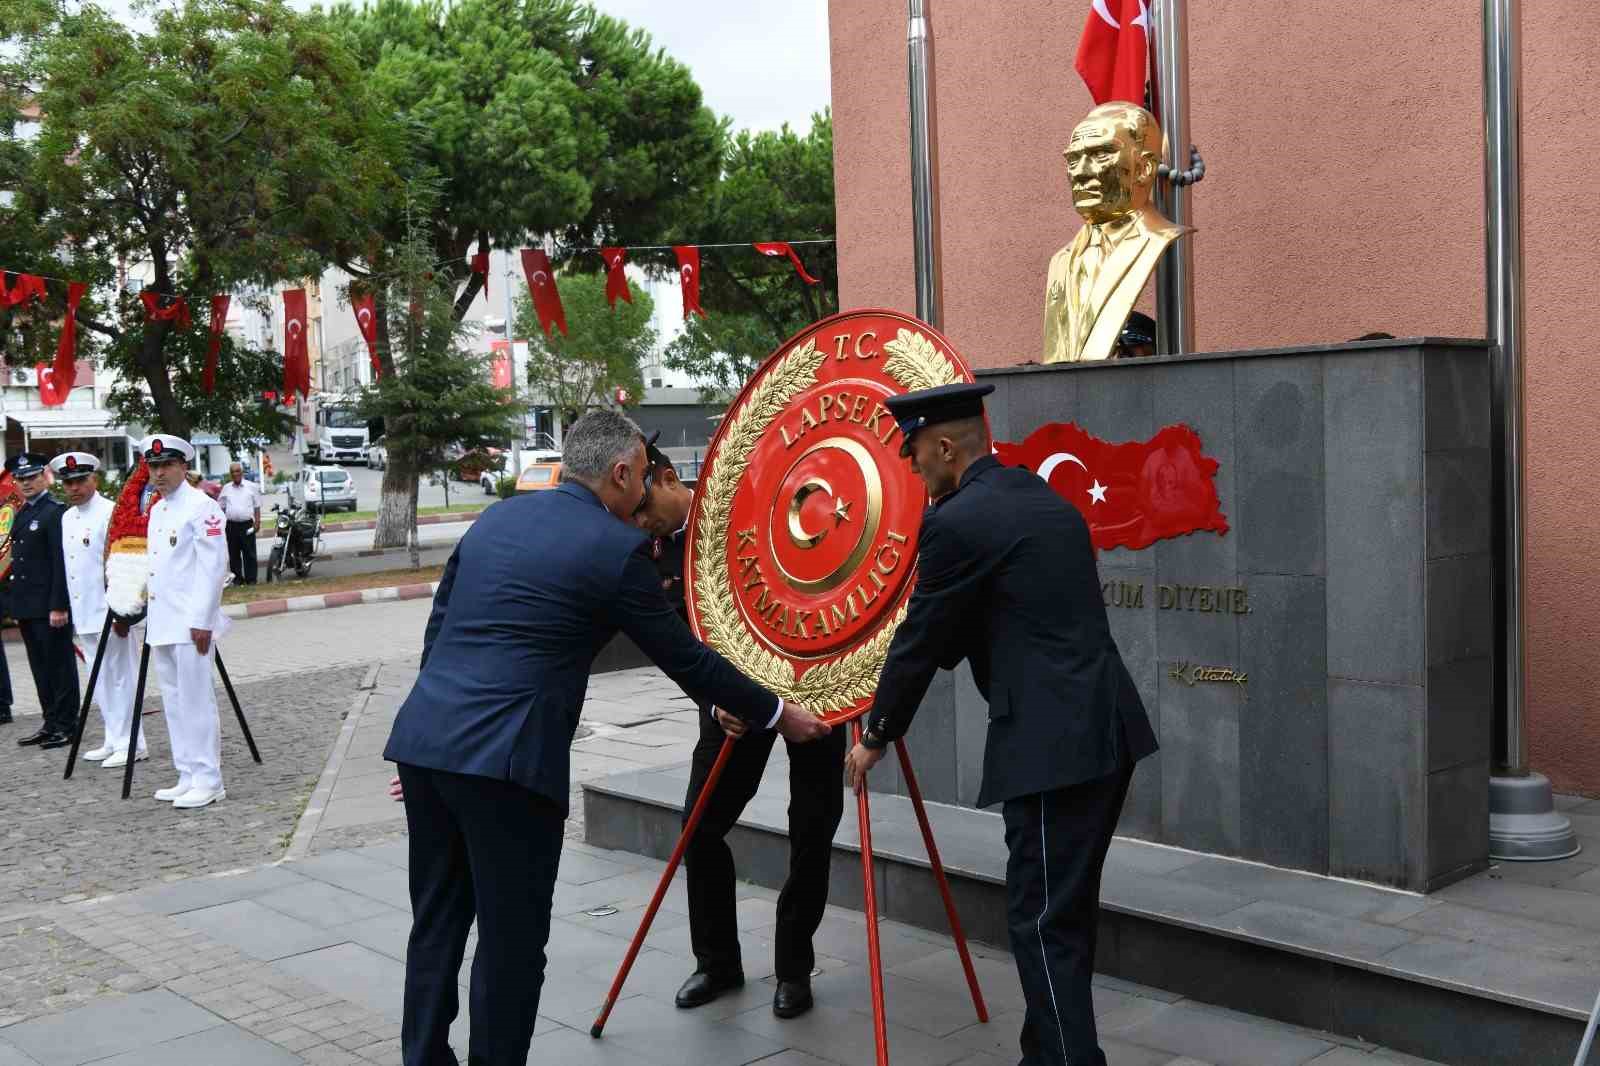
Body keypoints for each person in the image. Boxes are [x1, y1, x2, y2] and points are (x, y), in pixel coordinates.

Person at [383, 410, 831, 1066]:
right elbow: (687, 659)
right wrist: (779, 714)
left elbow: (439, 631)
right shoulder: (614, 549)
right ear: (620, 472)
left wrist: (433, 736)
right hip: (507, 767)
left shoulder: (499, 518)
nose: (648, 490)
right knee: (510, 945)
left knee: (436, 925)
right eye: (645, 476)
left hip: (427, 747)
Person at [843, 382, 1158, 1066]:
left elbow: (923, 641)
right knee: (1062, 911)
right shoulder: (1044, 501)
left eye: (917, 453)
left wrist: (875, 735)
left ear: (947, 447)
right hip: (1107, 729)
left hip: (1054, 747)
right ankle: (1044, 1052)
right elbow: (995, 620)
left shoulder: (957, 522)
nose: (914, 467)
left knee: (1043, 921)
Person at [632, 432, 845, 1020]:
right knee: (699, 828)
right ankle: (718, 963)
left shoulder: (746, 507)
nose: (643, 522)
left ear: (670, 478)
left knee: (811, 828)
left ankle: (794, 969)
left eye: (646, 509)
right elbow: (675, 642)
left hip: (816, 687)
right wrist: (715, 698)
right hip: (731, 711)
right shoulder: (650, 556)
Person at [1042, 102, 1192, 363]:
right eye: (1073, 159)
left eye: (1101, 155)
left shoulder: (1156, 239)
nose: (1081, 172)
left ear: (1144, 168)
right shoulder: (1061, 261)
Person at [143, 434, 231, 810]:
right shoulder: (159, 509)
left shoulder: (202, 507)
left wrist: (202, 620)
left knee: (196, 701)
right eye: (154, 466)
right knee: (174, 702)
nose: (159, 473)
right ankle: (187, 773)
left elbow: (213, 568)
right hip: (163, 620)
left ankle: (209, 778)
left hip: (191, 622)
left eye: (166, 465)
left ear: (183, 466)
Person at [52, 452, 145, 767]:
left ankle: (134, 742)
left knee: (122, 678)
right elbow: (71, 569)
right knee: (100, 678)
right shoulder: (67, 518)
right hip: (84, 612)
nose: (74, 488)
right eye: (68, 482)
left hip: (111, 613)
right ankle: (113, 737)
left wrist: (123, 611)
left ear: (95, 479)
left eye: (80, 480)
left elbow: (125, 564)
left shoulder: (111, 513)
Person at [6, 451, 80, 749]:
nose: (25, 483)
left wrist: (59, 605)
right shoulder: (23, 512)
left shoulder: (54, 511)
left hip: (50, 606)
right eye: (20, 479)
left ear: (44, 477)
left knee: (59, 666)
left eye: (31, 477)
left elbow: (60, 563)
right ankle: (50, 722)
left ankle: (67, 724)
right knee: (40, 667)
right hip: (28, 606)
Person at [217, 461, 262, 585]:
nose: (235, 474)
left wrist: (257, 522)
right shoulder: (226, 488)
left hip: (247, 525)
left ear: (242, 472)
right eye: (232, 472)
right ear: (230, 474)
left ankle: (251, 580)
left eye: (237, 471)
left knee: (249, 554)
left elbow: (257, 506)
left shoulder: (252, 487)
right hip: (231, 526)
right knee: (234, 554)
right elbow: (220, 506)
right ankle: (238, 580)